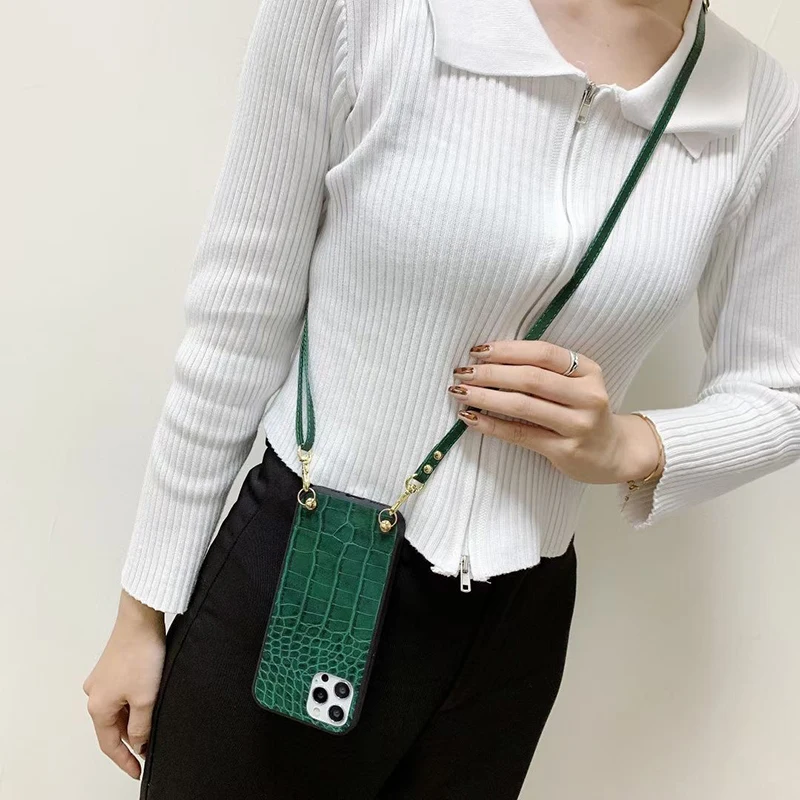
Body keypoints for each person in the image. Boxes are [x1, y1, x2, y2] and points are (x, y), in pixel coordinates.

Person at [83, 0, 800, 797]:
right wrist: (142, 610)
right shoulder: (365, 12)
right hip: (301, 571)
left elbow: (785, 390)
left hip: (509, 637)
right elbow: (239, 314)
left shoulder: (752, 103)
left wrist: (633, 446)